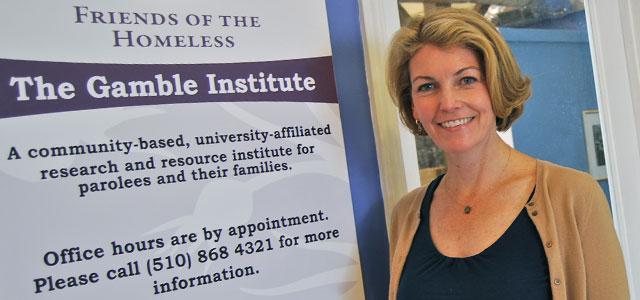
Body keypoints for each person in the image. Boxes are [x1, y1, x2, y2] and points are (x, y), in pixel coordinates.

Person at [386, 8, 629, 300]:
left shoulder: (574, 196)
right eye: (427, 86)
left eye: (466, 80)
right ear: (413, 106)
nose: (448, 103)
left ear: (496, 86)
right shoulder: (405, 215)